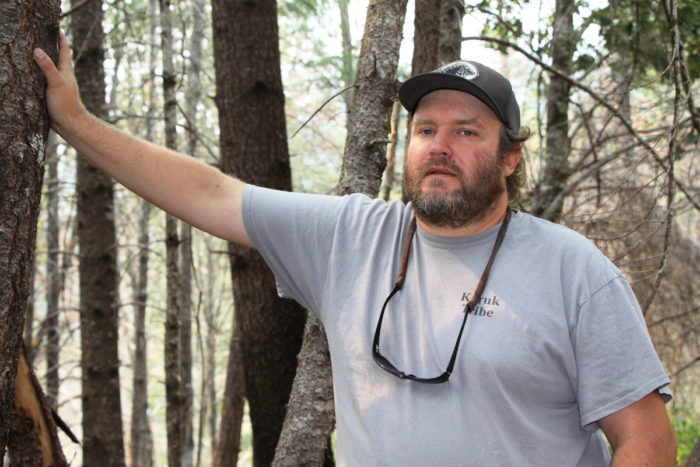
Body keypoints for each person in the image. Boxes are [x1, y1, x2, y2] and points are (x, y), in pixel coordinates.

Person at [34, 34, 677, 466]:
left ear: (510, 157)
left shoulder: (574, 270)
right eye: (425, 129)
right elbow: (213, 194)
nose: (439, 146)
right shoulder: (351, 238)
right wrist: (76, 122)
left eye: (466, 132)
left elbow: (647, 442)